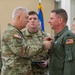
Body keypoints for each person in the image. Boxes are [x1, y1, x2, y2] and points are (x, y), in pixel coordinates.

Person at [1, 7, 52, 75]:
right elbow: (24, 51)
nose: (28, 20)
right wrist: (43, 45)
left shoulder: (17, 32)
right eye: (26, 18)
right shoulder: (12, 32)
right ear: (19, 17)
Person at [22, 11, 52, 75]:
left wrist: (47, 63)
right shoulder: (20, 35)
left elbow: (54, 54)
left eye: (35, 19)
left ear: (38, 22)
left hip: (42, 72)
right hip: (25, 72)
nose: (32, 21)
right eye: (30, 19)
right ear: (27, 22)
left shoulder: (46, 36)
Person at [47, 9, 75, 75]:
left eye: (51, 18)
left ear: (60, 20)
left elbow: (70, 62)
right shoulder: (59, 37)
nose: (49, 21)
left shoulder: (68, 36)